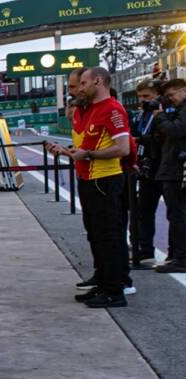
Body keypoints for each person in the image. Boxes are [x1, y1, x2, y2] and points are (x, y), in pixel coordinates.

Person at [47, 67, 133, 308]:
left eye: (83, 83)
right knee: (96, 235)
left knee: (108, 236)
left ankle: (115, 291)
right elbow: (86, 148)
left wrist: (89, 154)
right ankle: (104, 284)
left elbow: (123, 147)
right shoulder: (93, 110)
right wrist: (70, 152)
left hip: (105, 180)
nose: (80, 88)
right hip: (89, 180)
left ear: (98, 81)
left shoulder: (113, 109)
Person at [132, 79, 167, 268]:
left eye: (147, 96)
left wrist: (142, 139)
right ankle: (145, 252)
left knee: (174, 214)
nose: (142, 101)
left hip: (166, 168)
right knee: (143, 212)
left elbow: (166, 137)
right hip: (147, 169)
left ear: (158, 96)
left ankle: (176, 255)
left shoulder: (165, 113)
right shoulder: (142, 115)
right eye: (140, 97)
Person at [152, 79, 186, 273]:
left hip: (176, 169)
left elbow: (176, 131)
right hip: (173, 167)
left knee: (177, 214)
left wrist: (160, 116)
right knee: (175, 214)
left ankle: (181, 258)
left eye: (172, 95)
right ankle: (176, 255)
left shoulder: (182, 111)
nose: (170, 99)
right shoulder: (178, 110)